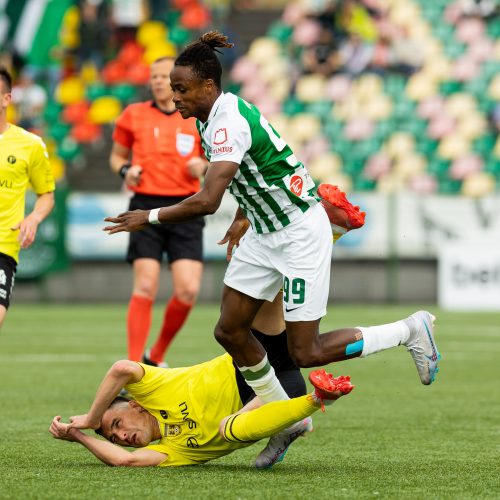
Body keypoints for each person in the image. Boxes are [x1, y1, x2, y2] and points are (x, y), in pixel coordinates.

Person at [103, 30, 440, 462]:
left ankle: (411, 330)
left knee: (306, 351)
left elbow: (207, 201)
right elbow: (254, 172)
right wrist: (245, 217)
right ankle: (286, 417)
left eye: (182, 90)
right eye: (173, 89)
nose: (175, 98)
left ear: (209, 86)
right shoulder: (211, 118)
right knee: (229, 331)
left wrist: (145, 217)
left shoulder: (226, 123)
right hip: (264, 233)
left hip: (299, 233)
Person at [49, 295, 354, 468]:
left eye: (117, 424)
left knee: (272, 294)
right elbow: (125, 462)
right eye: (115, 439)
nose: (122, 436)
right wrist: (80, 437)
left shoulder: (154, 389)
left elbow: (121, 369)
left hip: (249, 361)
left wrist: (91, 418)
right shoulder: (173, 450)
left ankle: (331, 232)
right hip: (276, 394)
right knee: (229, 428)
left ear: (134, 405)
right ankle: (316, 400)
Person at [109, 56, 208, 366]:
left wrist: (202, 165)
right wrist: (126, 170)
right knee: (146, 284)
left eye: (162, 76)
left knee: (189, 289)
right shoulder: (133, 115)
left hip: (185, 207)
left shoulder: (197, 118)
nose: (155, 81)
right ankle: (134, 365)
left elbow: (218, 161)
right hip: (144, 206)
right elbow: (116, 156)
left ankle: (157, 355)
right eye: (152, 76)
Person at [0, 66, 55, 330]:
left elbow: (46, 195)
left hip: (3, 246)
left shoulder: (30, 144)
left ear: (6, 98)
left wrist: (34, 217)